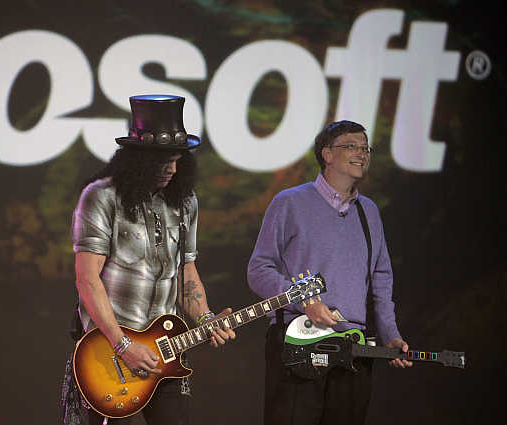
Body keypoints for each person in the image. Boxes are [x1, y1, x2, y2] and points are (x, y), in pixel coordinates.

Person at [63, 94, 235, 425]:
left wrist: (205, 318)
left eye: (177, 160)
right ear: (137, 160)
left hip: (166, 350)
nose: (172, 169)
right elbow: (87, 279)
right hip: (109, 354)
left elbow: (186, 273)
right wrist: (123, 343)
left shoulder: (184, 202)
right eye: (162, 161)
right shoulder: (101, 196)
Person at [247, 120, 412, 425]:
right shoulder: (290, 202)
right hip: (297, 341)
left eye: (365, 148)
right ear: (327, 154)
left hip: (354, 348)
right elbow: (259, 269)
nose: (361, 153)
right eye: (351, 146)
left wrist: (390, 334)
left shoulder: (370, 212)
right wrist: (304, 302)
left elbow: (381, 279)